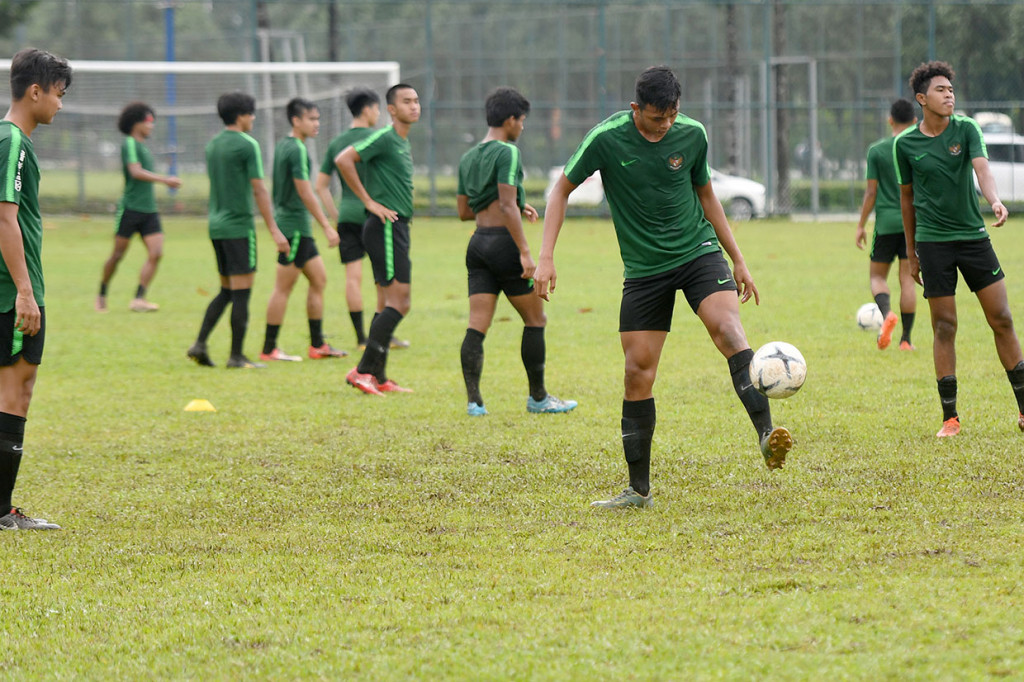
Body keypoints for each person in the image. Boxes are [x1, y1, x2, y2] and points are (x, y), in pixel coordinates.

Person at [535, 66, 793, 509]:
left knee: (730, 332)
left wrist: (738, 257)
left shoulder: (692, 134)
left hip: (698, 252)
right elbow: (561, 191)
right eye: (657, 118)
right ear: (636, 109)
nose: (665, 126)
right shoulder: (606, 138)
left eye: (671, 116)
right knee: (638, 371)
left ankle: (767, 434)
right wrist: (545, 256)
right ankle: (638, 491)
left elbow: (707, 194)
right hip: (644, 269)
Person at [895, 61, 1024, 437]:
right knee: (945, 325)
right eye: (940, 89)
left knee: (1001, 318)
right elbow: (907, 201)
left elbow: (982, 168)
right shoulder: (905, 145)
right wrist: (912, 253)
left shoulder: (966, 129)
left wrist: (995, 200)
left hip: (973, 238)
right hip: (932, 244)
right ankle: (950, 417)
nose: (949, 94)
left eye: (951, 89)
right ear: (921, 99)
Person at [455, 87, 577, 416]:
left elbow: (465, 211)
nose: (522, 127)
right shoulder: (507, 152)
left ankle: (474, 401)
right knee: (536, 319)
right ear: (510, 120)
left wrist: (515, 207)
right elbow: (506, 203)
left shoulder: (469, 157)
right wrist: (525, 252)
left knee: (477, 323)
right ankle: (538, 398)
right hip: (505, 246)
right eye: (521, 121)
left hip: (478, 242)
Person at [0, 48, 72, 530]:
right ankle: (3, 512)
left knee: (14, 390)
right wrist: (25, 292)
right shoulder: (13, 143)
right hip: (12, 291)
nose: (60, 105)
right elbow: (4, 216)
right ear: (35, 91)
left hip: (16, 287)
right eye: (58, 94)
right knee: (14, 393)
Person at [187, 92, 288, 369]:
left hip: (216, 226)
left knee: (227, 291)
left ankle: (200, 343)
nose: (253, 119)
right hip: (238, 227)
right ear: (242, 115)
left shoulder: (213, 145)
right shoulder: (247, 145)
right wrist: (274, 229)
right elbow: (259, 188)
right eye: (252, 114)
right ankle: (237, 356)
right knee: (242, 293)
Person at [336, 83, 420, 395]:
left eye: (416, 100)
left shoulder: (401, 142)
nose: (413, 106)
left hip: (397, 226)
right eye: (406, 101)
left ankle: (379, 376)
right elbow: (344, 160)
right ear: (391, 109)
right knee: (401, 303)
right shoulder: (384, 137)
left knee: (387, 302)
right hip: (385, 226)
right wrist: (369, 202)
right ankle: (362, 370)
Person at [260, 97, 345, 362]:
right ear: (296, 121)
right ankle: (269, 348)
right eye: (311, 119)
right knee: (282, 288)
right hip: (294, 228)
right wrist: (326, 226)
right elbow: (305, 191)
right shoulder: (297, 150)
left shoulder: (286, 145)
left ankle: (318, 344)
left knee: (319, 280)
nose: (317, 123)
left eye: (318, 118)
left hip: (299, 229)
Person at [96, 102, 181, 314]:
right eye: (149, 121)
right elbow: (135, 171)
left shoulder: (143, 146)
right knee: (117, 255)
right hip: (131, 209)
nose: (151, 126)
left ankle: (139, 298)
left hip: (149, 210)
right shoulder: (130, 144)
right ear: (136, 123)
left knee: (157, 252)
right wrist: (165, 180)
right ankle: (102, 293)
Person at [855, 98, 917, 351]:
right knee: (907, 280)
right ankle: (905, 340)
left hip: (887, 223)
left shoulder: (877, 150)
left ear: (889, 120)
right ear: (914, 121)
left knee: (878, 277)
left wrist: (860, 225)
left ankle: (887, 313)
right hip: (912, 223)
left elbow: (871, 193)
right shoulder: (916, 149)